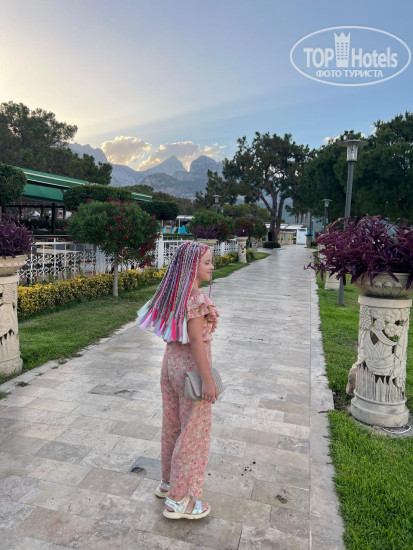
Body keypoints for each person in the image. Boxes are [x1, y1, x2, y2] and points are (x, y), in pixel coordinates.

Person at [137, 241, 219, 520]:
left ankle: (167, 483)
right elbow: (196, 340)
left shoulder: (173, 295)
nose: (212, 266)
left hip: (170, 366)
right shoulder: (195, 299)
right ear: (192, 266)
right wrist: (207, 380)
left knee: (172, 424)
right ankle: (179, 500)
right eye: (207, 262)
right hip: (191, 372)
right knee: (193, 433)